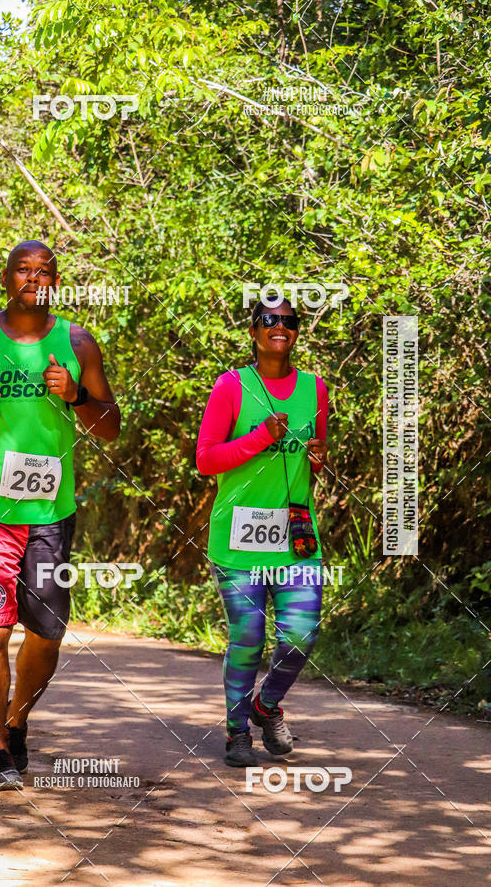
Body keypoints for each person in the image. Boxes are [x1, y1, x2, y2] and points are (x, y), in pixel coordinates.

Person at [0, 240, 120, 791]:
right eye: (23, 269)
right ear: (5, 277)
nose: (34, 278)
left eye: (45, 271)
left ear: (56, 280)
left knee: (47, 631)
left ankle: (15, 723)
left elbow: (111, 424)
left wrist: (78, 396)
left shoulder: (77, 342)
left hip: (50, 511)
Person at [196, 296, 328, 767]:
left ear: (297, 332)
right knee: (248, 636)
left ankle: (265, 705)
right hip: (238, 535)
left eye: (289, 321)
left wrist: (315, 455)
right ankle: (237, 734)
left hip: (296, 534)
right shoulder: (232, 386)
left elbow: (316, 453)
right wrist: (260, 438)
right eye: (269, 320)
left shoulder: (316, 388)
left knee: (301, 633)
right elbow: (205, 459)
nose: (280, 327)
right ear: (254, 331)